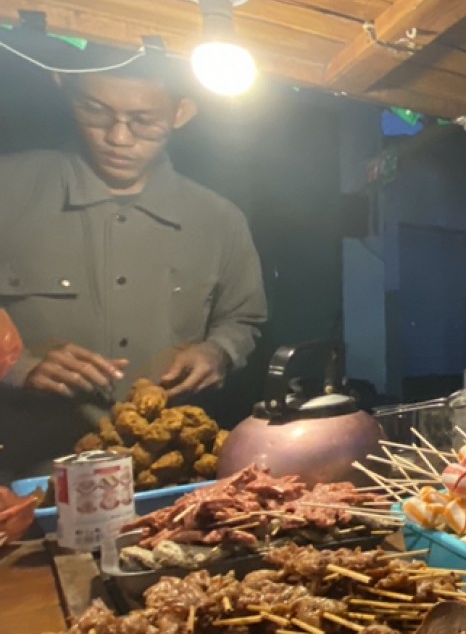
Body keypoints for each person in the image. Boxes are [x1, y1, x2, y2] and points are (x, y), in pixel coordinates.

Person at [0, 51, 267, 480]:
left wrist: (219, 351)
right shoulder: (8, 190)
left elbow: (242, 319)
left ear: (181, 113)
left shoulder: (220, 219)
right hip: (25, 480)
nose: (119, 137)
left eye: (144, 120)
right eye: (96, 111)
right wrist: (16, 366)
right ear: (64, 89)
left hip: (164, 480)